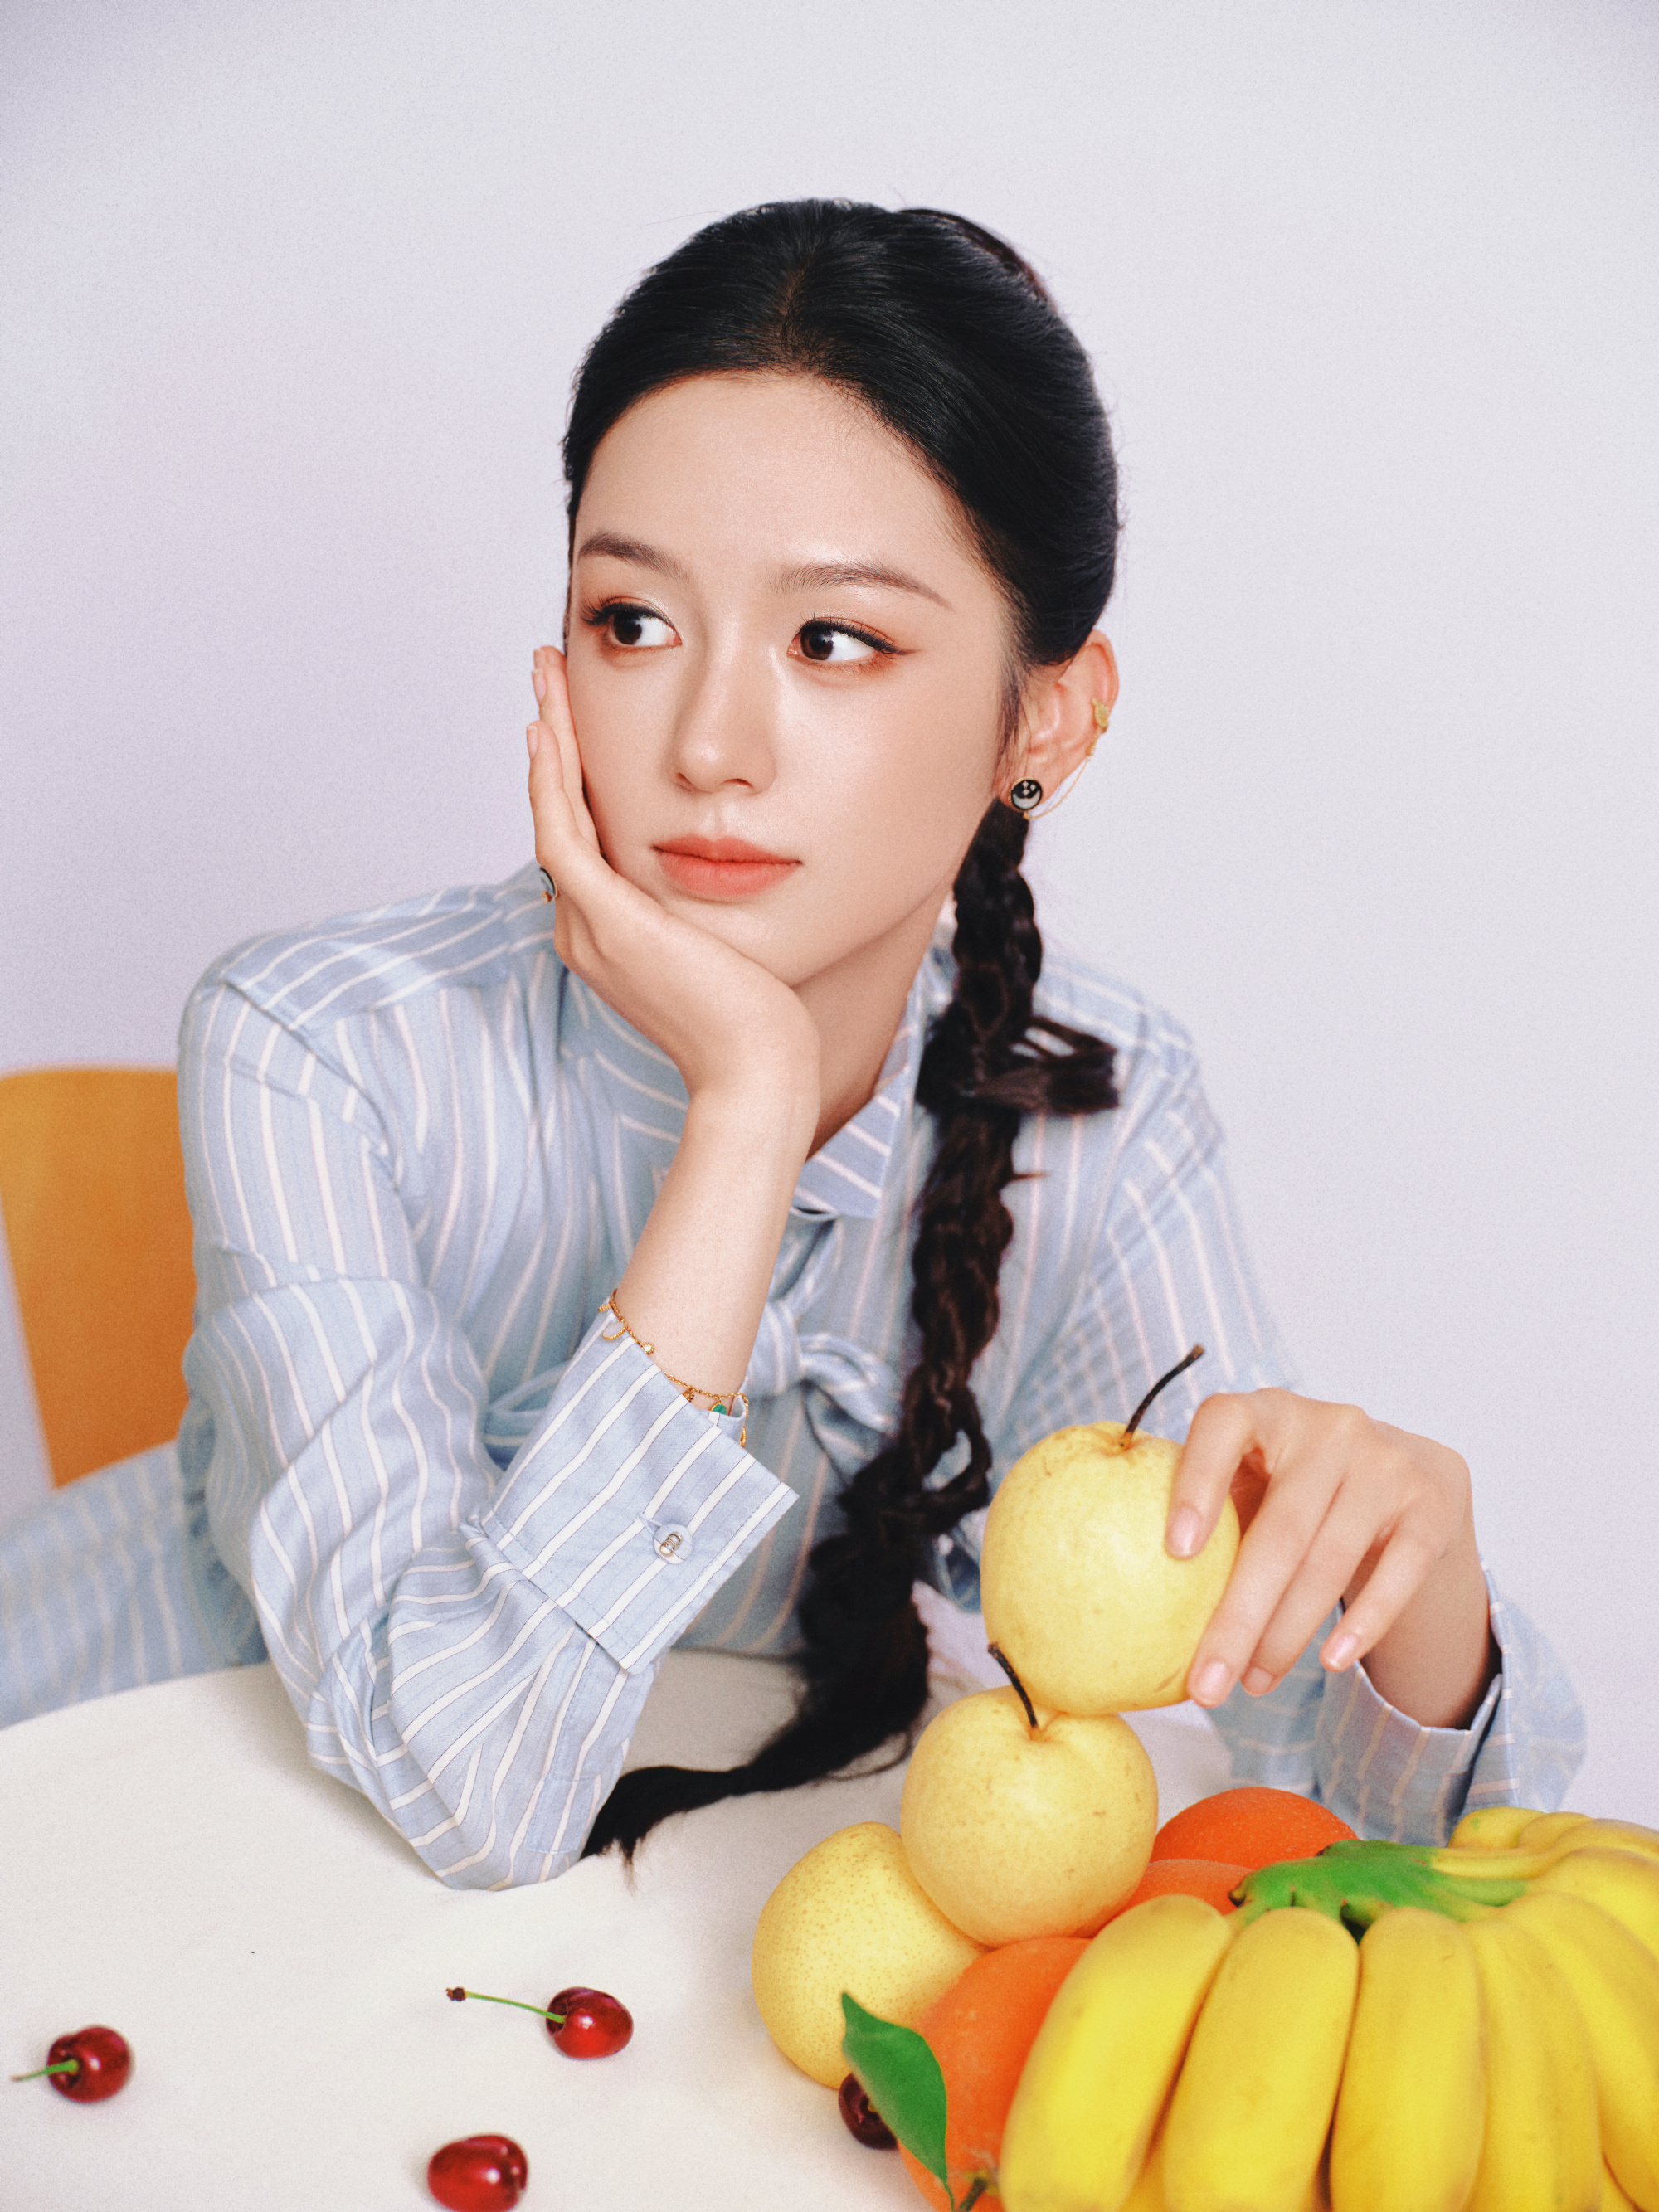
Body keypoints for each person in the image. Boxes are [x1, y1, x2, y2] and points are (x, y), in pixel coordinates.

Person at [0, 201, 1584, 1886]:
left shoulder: (1096, 1110)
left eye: (833, 640)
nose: (707, 744)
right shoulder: (317, 1045)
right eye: (633, 621)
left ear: (1048, 718)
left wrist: (1424, 1580)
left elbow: (1381, 1856)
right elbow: (465, 1784)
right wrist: (746, 1112)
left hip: (589, 1947)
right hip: (102, 1827)